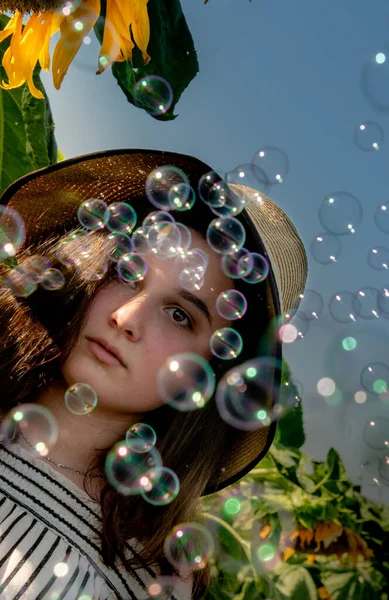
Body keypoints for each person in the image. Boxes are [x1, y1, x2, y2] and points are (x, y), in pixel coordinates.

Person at [0, 149, 308, 600]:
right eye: (128, 272)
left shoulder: (152, 578)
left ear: (211, 374)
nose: (127, 317)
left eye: (180, 315)